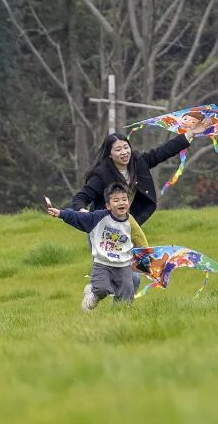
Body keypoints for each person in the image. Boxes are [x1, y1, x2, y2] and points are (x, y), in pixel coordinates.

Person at [71, 113, 208, 225]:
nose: (124, 152)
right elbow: (80, 198)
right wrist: (83, 211)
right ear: (110, 154)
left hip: (129, 223)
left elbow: (164, 151)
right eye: (118, 149)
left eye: (126, 147)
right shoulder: (101, 175)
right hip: (102, 226)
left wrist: (190, 133)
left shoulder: (139, 162)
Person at [46, 183, 143, 310]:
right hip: (102, 263)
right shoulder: (98, 217)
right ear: (108, 205)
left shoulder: (130, 221)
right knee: (102, 289)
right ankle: (93, 292)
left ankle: (120, 313)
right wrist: (61, 213)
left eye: (124, 199)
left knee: (127, 293)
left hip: (123, 264)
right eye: (116, 200)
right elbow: (79, 217)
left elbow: (139, 238)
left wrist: (147, 256)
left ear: (128, 203)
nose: (121, 203)